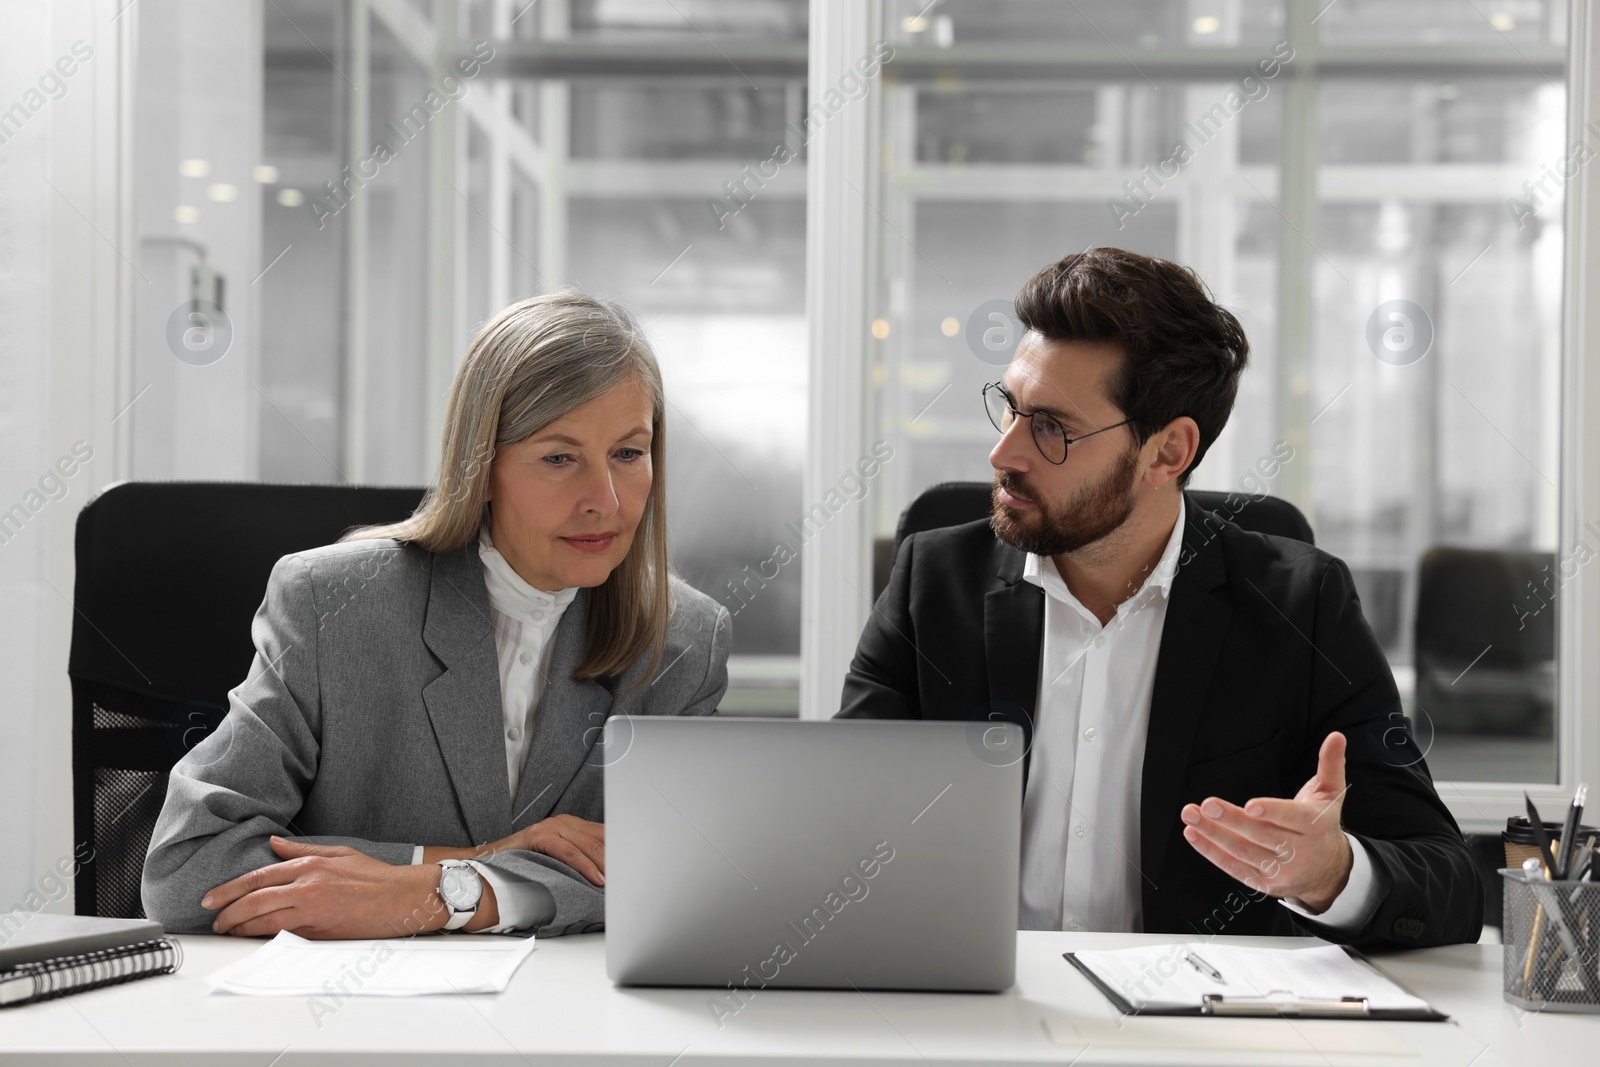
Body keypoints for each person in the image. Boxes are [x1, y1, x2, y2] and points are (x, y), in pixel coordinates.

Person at [837, 247, 1482, 948]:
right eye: (1011, 408)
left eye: (1051, 426)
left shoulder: (1302, 606)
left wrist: (1333, 873)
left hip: (1194, 1030)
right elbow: (832, 821)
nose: (1004, 452)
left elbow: (1447, 880)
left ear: (1168, 453)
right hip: (978, 1014)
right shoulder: (932, 583)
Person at [142, 291, 730, 939]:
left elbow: (679, 881)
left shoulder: (683, 639)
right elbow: (189, 866)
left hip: (567, 1019)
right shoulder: (333, 604)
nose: (606, 499)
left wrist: (431, 894)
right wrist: (465, 867)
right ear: (482, 466)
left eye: (628, 453)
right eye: (560, 457)